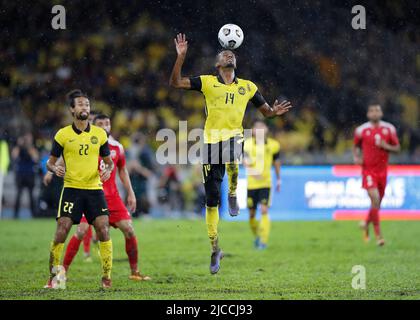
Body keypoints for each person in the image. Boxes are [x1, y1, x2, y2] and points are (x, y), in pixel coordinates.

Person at [169, 33, 292, 274]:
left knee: (233, 152)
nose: (229, 54)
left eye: (232, 54)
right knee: (212, 200)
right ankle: (215, 248)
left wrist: (274, 112)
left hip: (233, 137)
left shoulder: (248, 87)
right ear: (217, 65)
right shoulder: (206, 82)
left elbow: (265, 111)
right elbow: (175, 83)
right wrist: (180, 57)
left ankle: (234, 192)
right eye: (224, 54)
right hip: (210, 143)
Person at [62, 114, 150, 281]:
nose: (104, 126)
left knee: (129, 230)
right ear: (94, 126)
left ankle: (135, 271)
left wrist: (130, 193)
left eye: (107, 123)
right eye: (100, 124)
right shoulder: (86, 144)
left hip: (112, 198)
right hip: (90, 195)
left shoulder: (117, 147)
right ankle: (63, 272)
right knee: (80, 231)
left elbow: (123, 170)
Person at [44, 89, 115, 289]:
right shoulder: (63, 135)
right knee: (62, 230)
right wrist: (54, 167)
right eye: (81, 104)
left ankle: (106, 277)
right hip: (72, 189)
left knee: (103, 229)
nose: (85, 107)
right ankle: (54, 278)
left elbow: (109, 162)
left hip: (94, 189)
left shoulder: (99, 134)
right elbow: (50, 163)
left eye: (87, 104)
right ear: (72, 109)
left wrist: (108, 170)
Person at [353, 104, 400, 246]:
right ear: (368, 114)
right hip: (368, 170)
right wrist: (357, 157)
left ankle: (367, 222)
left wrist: (386, 146)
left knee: (377, 203)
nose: (374, 113)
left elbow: (397, 148)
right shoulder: (361, 130)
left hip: (383, 171)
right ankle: (379, 236)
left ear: (381, 112)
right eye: (372, 110)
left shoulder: (389, 129)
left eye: (377, 110)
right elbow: (356, 146)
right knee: (375, 198)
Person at [244, 121, 281, 250]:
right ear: (253, 130)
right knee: (252, 215)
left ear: (267, 129)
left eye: (262, 126)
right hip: (251, 185)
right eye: (256, 127)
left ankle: (263, 241)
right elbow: (246, 163)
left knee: (264, 210)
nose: (259, 129)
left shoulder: (274, 145)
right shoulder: (247, 144)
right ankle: (257, 237)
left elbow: (276, 162)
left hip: (266, 183)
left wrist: (279, 179)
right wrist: (254, 174)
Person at [11, 133, 39, 218]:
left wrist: (29, 146)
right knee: (18, 194)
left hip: (30, 174)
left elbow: (35, 158)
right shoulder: (19, 148)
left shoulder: (32, 148)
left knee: (31, 195)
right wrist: (19, 145)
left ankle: (33, 214)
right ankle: (15, 214)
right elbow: (14, 156)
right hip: (20, 174)